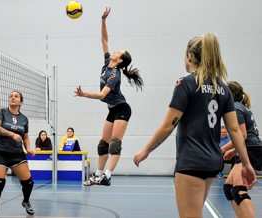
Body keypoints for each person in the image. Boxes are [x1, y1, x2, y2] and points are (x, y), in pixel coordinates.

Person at [133, 33, 256, 218]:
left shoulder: (186, 83)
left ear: (190, 56)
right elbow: (235, 130)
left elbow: (169, 125)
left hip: (191, 160)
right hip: (212, 162)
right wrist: (246, 164)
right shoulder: (222, 87)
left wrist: (146, 150)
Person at [74, 7, 143, 186]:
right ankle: (97, 175)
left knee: (114, 144)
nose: (115, 51)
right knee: (102, 145)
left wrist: (83, 94)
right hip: (112, 109)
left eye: (118, 52)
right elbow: (104, 39)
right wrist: (103, 20)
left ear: (119, 60)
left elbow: (101, 95)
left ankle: (108, 175)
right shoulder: (107, 64)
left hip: (122, 109)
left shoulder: (114, 75)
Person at [0, 91, 36, 218]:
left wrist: (28, 149)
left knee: (29, 182)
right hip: (0, 152)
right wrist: (12, 134)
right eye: (11, 96)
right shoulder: (1, 112)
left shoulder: (24, 119)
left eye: (16, 96)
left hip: (17, 153)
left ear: (21, 102)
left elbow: (25, 137)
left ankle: (26, 201)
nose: (13, 98)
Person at [220, 81, 262, 218]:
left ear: (230, 94)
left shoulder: (236, 109)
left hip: (251, 150)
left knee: (239, 190)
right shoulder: (240, 106)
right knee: (229, 189)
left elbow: (242, 135)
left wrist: (221, 150)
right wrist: (234, 151)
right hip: (248, 148)